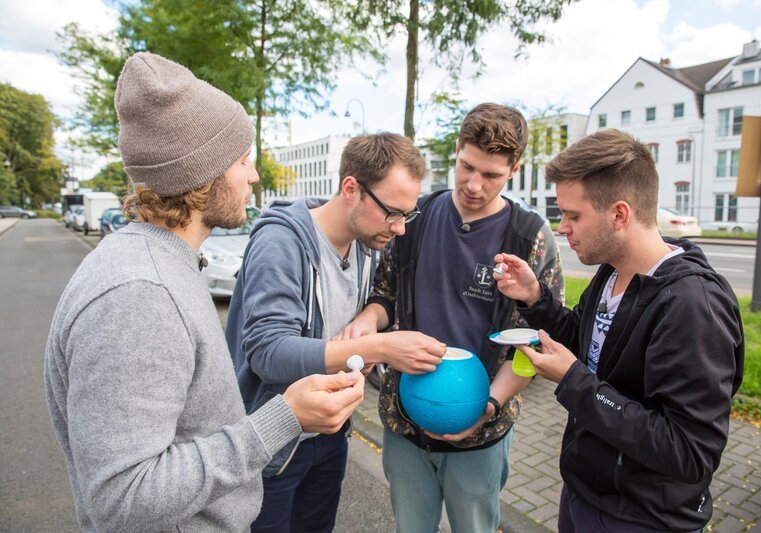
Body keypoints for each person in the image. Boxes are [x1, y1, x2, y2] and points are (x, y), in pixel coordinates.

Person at [43, 52, 365, 532]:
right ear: (202, 174)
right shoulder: (138, 296)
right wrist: (284, 418)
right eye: (241, 160)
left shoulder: (160, 265)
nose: (253, 175)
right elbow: (122, 498)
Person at [495, 128, 745, 532]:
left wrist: (574, 381)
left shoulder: (692, 305)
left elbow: (689, 452)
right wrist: (535, 298)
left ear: (619, 214)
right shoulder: (612, 272)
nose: (563, 229)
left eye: (573, 216)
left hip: (642, 517)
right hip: (585, 494)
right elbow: (591, 344)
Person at [341, 103, 565, 532]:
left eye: (492, 175)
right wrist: (369, 319)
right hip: (403, 423)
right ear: (458, 149)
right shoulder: (414, 219)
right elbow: (384, 294)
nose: (475, 185)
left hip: (481, 432)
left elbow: (537, 343)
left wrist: (488, 406)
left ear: (514, 170)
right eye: (467, 167)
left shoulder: (530, 236)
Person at [226, 132, 446, 532]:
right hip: (273, 443)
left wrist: (368, 318)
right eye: (392, 212)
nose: (399, 229)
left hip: (330, 433)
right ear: (351, 189)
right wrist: (379, 347)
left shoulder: (368, 244)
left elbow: (380, 300)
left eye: (406, 215)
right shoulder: (281, 242)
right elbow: (268, 352)